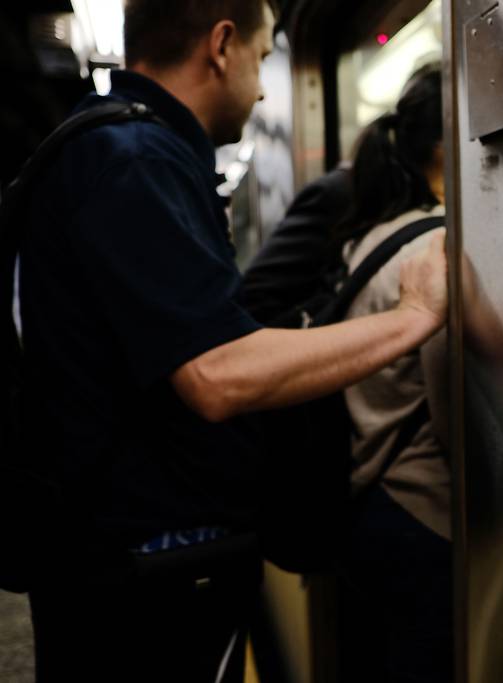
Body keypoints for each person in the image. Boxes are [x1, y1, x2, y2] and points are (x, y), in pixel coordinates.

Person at [16, 1, 447, 682]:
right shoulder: (132, 159)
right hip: (145, 578)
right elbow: (215, 373)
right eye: (263, 51)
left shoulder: (122, 149)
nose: (267, 85)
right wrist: (412, 318)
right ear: (222, 46)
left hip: (135, 564)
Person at [334, 64, 453, 683]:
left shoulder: (373, 237)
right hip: (421, 516)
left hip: (365, 500)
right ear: (444, 145)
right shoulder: (432, 251)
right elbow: (455, 414)